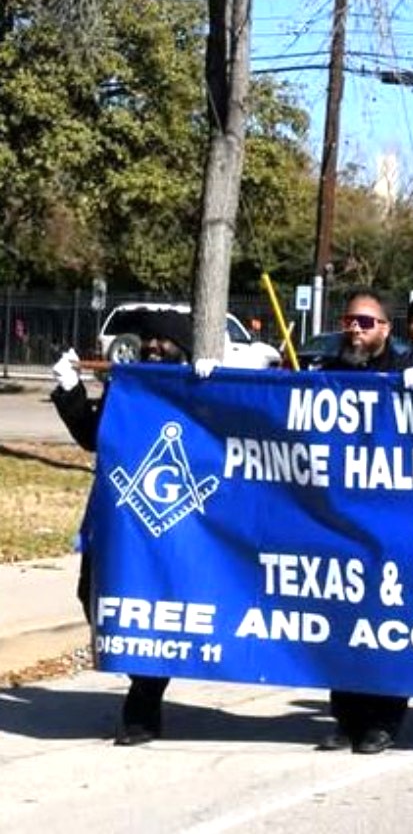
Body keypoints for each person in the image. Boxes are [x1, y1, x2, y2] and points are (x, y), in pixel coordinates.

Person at [50, 308, 208, 745]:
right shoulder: (128, 389)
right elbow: (93, 435)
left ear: (184, 349)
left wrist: (214, 385)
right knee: (96, 596)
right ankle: (142, 681)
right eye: (148, 341)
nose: (154, 347)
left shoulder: (201, 391)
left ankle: (144, 700)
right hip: (119, 523)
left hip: (177, 526)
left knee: (159, 604)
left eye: (165, 342)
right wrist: (70, 388)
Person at [314, 289, 413, 754]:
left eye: (366, 322)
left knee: (388, 619)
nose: (355, 329)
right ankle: (346, 717)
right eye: (350, 320)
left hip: (393, 518)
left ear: (385, 330)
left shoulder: (406, 375)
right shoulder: (326, 374)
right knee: (342, 615)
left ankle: (383, 719)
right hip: (339, 517)